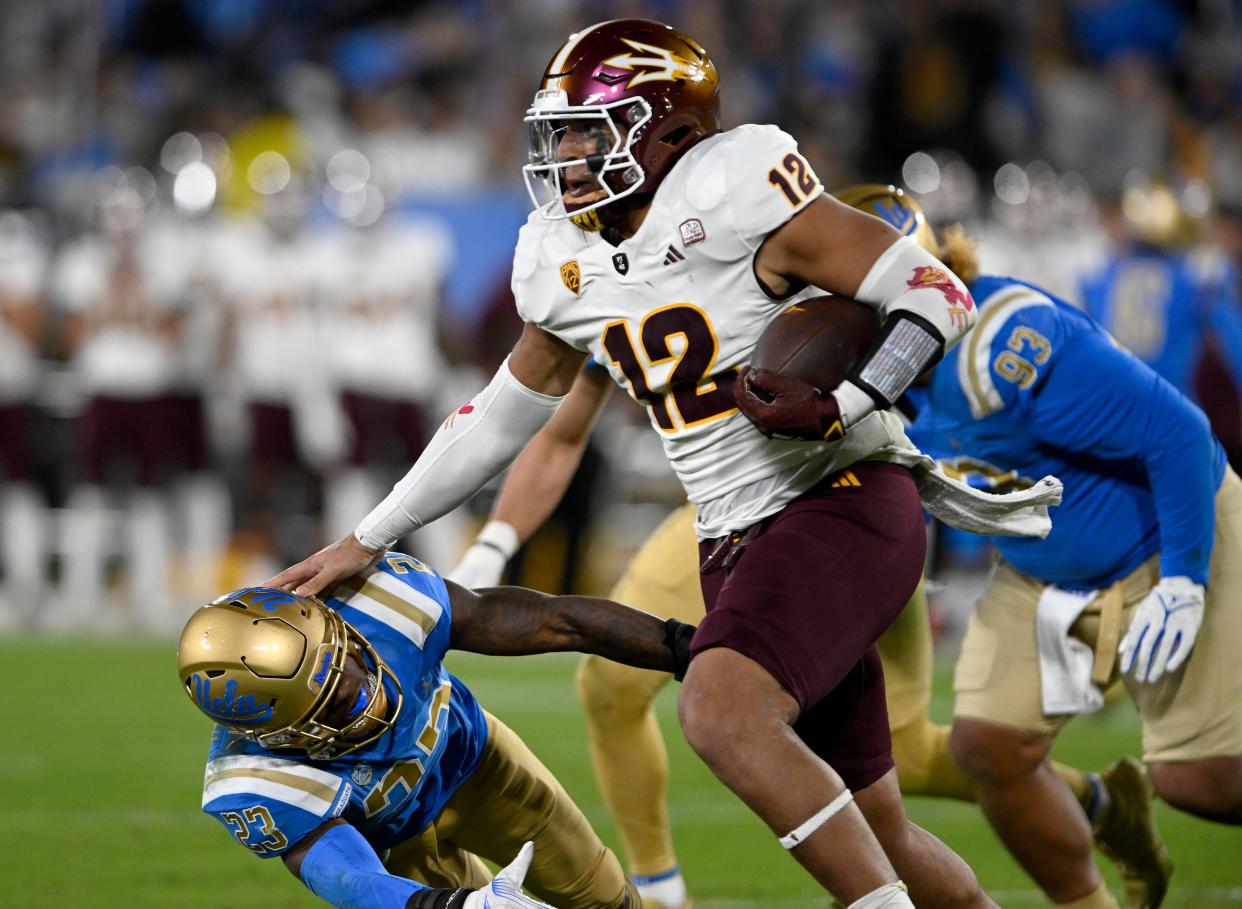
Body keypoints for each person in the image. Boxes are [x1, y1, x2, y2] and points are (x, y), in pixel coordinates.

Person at [270, 18, 1059, 908]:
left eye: (583, 129)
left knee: (720, 712)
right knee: (879, 827)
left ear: (670, 129)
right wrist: (369, 536)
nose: (564, 151)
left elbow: (933, 292)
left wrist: (847, 400)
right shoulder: (558, 254)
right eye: (557, 131)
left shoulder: (737, 185)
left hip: (838, 499)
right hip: (731, 541)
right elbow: (497, 420)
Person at [824, 186, 1242, 909]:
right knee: (988, 748)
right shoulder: (877, 383)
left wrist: (1184, 579)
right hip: (1045, 568)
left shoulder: (1000, 344)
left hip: (1169, 534)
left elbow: (1177, 433)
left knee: (1198, 780)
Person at [179, 552, 696, 909]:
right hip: (397, 845)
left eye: (347, 661)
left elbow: (559, 621)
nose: (363, 691)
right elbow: (358, 883)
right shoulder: (254, 781)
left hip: (481, 765)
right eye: (331, 706)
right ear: (277, 736)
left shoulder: (381, 602)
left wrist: (689, 650)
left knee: (605, 897)